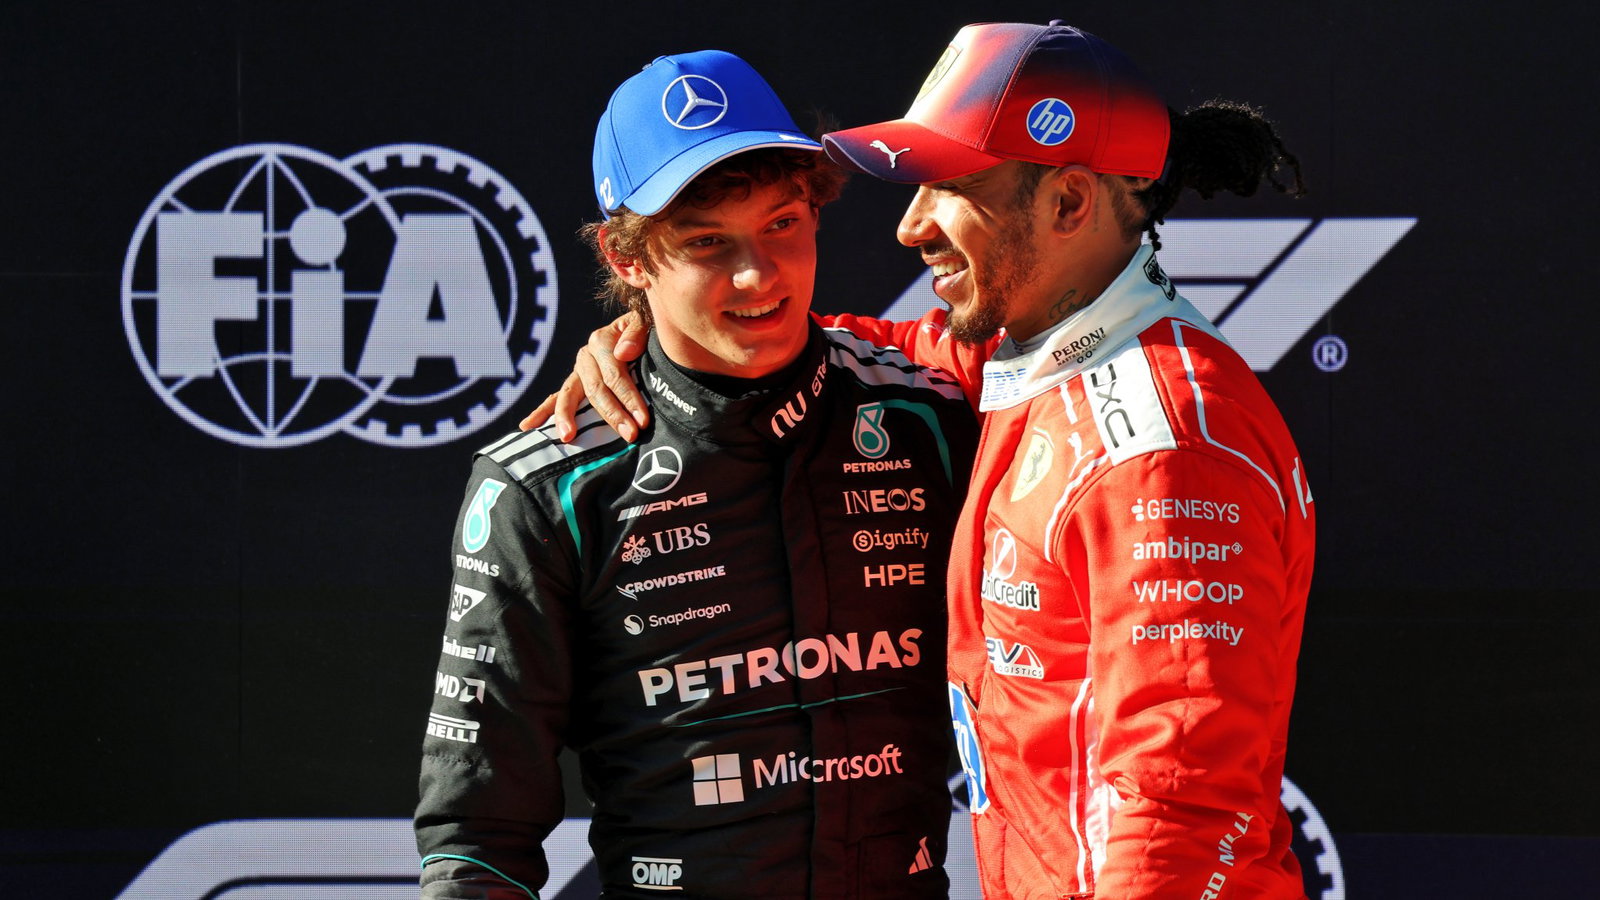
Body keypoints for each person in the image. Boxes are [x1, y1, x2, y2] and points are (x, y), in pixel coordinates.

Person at [529, 20, 1316, 900]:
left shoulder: (1160, 446)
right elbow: (853, 352)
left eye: (949, 187)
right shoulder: (1032, 363)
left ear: (1068, 203)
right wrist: (663, 335)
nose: (910, 226)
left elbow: (1173, 802)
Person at [415, 49, 977, 899]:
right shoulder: (546, 486)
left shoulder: (933, 417)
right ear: (628, 257)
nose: (757, 275)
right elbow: (478, 834)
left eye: (783, 224)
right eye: (707, 242)